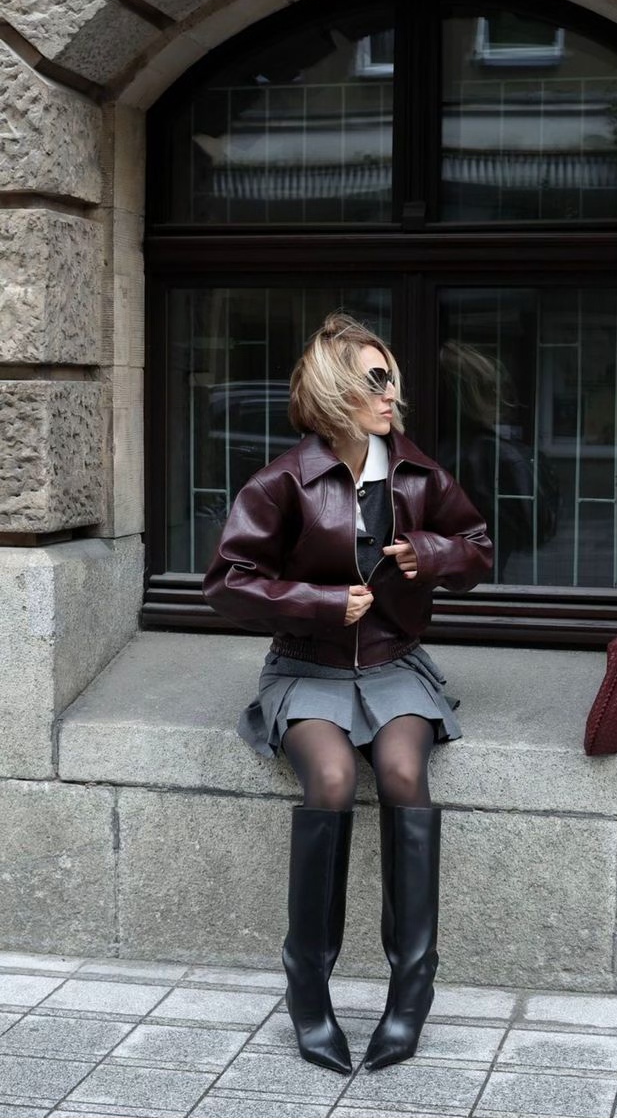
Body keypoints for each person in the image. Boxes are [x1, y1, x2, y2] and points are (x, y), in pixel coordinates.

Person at [203, 312, 493, 1074]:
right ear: (336, 392)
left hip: (395, 664)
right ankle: (308, 992)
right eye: (375, 379)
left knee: (401, 770)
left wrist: (428, 552)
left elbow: (478, 548)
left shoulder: (418, 474)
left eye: (391, 377)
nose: (391, 392)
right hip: (306, 666)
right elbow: (228, 582)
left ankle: (410, 993)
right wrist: (319, 602)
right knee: (330, 778)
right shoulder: (282, 481)